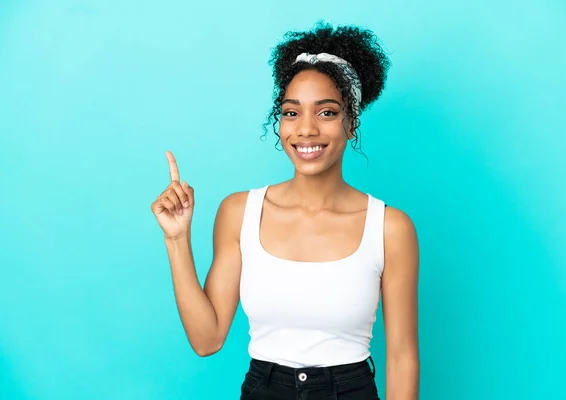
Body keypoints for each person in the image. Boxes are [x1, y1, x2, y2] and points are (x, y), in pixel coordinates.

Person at [151, 22, 420, 400]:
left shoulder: (390, 228)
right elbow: (206, 339)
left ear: (351, 122)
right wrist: (176, 239)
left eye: (326, 113)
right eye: (291, 113)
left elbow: (402, 357)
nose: (305, 129)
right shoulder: (239, 212)